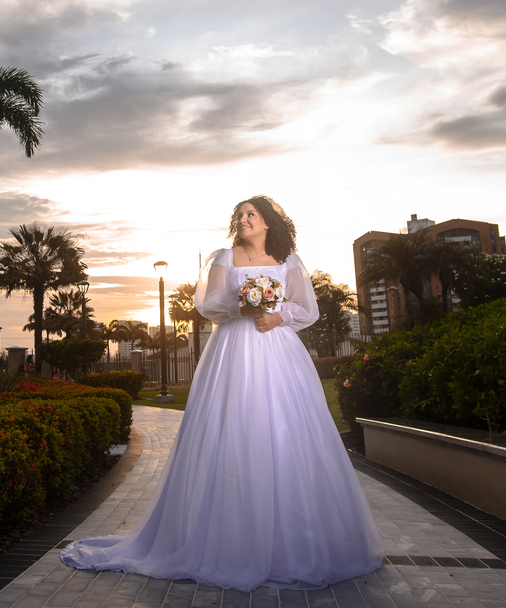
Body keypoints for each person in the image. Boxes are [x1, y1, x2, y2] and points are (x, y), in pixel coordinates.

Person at [61, 196, 384, 590]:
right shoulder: (223, 258)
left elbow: (307, 309)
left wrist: (277, 315)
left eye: (252, 214)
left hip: (278, 352)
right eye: (241, 215)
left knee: (283, 431)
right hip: (231, 352)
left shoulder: (289, 263)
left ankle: (291, 543)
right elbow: (209, 304)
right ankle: (222, 542)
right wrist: (242, 307)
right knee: (231, 430)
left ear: (268, 223)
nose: (245, 220)